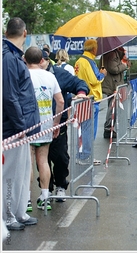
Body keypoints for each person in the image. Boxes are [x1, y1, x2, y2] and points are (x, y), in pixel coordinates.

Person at [2, 17, 41, 230]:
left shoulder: (13, 56)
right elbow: (9, 96)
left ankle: (18, 212)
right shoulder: (8, 57)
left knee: (21, 172)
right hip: (13, 128)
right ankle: (7, 215)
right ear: (25, 33)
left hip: (20, 126)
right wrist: (20, 127)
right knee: (10, 175)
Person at [45, 52, 89, 203]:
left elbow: (80, 83)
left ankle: (61, 186)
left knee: (60, 157)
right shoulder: (28, 73)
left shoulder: (59, 74)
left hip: (58, 122)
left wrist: (82, 93)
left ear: (46, 61)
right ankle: (46, 189)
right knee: (43, 159)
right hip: (37, 124)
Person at [25, 47, 64, 211]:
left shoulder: (24, 75)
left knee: (28, 163)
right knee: (43, 161)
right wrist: (56, 122)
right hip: (46, 124)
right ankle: (45, 197)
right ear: (42, 60)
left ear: (24, 60)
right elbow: (60, 101)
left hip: (27, 124)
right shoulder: (50, 76)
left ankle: (26, 200)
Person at [75, 39, 107, 139]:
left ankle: (82, 152)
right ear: (93, 49)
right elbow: (95, 79)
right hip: (92, 99)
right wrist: (102, 74)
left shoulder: (79, 61)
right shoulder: (89, 62)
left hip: (81, 98)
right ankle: (87, 153)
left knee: (82, 129)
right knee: (90, 131)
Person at [100, 46, 129, 139]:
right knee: (112, 106)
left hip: (114, 83)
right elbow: (114, 69)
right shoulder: (111, 53)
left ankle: (110, 127)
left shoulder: (114, 53)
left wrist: (123, 59)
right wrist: (124, 65)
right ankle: (108, 128)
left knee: (113, 106)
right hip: (113, 84)